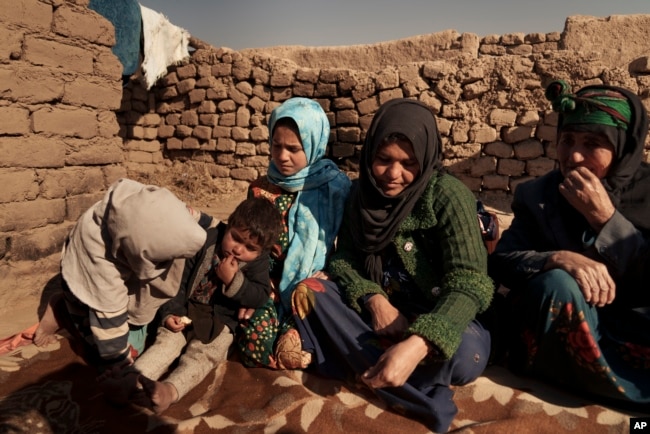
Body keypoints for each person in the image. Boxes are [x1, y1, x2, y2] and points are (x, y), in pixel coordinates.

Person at [290, 98, 494, 433]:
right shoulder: (361, 195)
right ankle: (420, 395)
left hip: (440, 313)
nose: (393, 174)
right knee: (310, 292)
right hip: (380, 316)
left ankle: (366, 367)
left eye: (408, 163)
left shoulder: (447, 196)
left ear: (426, 159)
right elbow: (346, 259)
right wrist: (374, 301)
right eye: (383, 160)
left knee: (465, 356)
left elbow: (471, 282)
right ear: (369, 154)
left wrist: (420, 343)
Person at [489, 80, 650, 405]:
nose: (574, 155)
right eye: (567, 140)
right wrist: (557, 258)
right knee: (555, 283)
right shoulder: (538, 196)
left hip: (638, 328)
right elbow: (503, 261)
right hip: (563, 327)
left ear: (623, 147)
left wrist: (606, 221)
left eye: (592, 143)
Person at [111, 197, 283, 413]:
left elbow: (259, 295)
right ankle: (132, 380)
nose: (238, 250)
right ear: (228, 224)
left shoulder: (258, 263)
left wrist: (233, 281)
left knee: (203, 356)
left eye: (250, 247)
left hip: (219, 322)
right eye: (235, 238)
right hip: (186, 308)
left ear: (261, 251)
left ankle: (168, 392)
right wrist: (171, 312)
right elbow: (177, 282)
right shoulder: (207, 241)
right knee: (166, 342)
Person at [33, 178, 207, 372]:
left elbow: (196, 222)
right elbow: (109, 316)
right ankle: (63, 309)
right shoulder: (99, 261)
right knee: (102, 353)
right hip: (90, 276)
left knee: (137, 344)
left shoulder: (161, 209)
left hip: (127, 264)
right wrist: (119, 363)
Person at [238, 97, 351, 370]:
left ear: (314, 146)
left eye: (293, 148)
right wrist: (256, 288)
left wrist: (329, 274)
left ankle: (300, 334)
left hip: (313, 288)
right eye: (276, 146)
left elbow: (348, 246)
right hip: (268, 283)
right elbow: (250, 246)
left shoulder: (337, 189)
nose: (282, 156)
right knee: (253, 349)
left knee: (292, 352)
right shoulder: (260, 190)